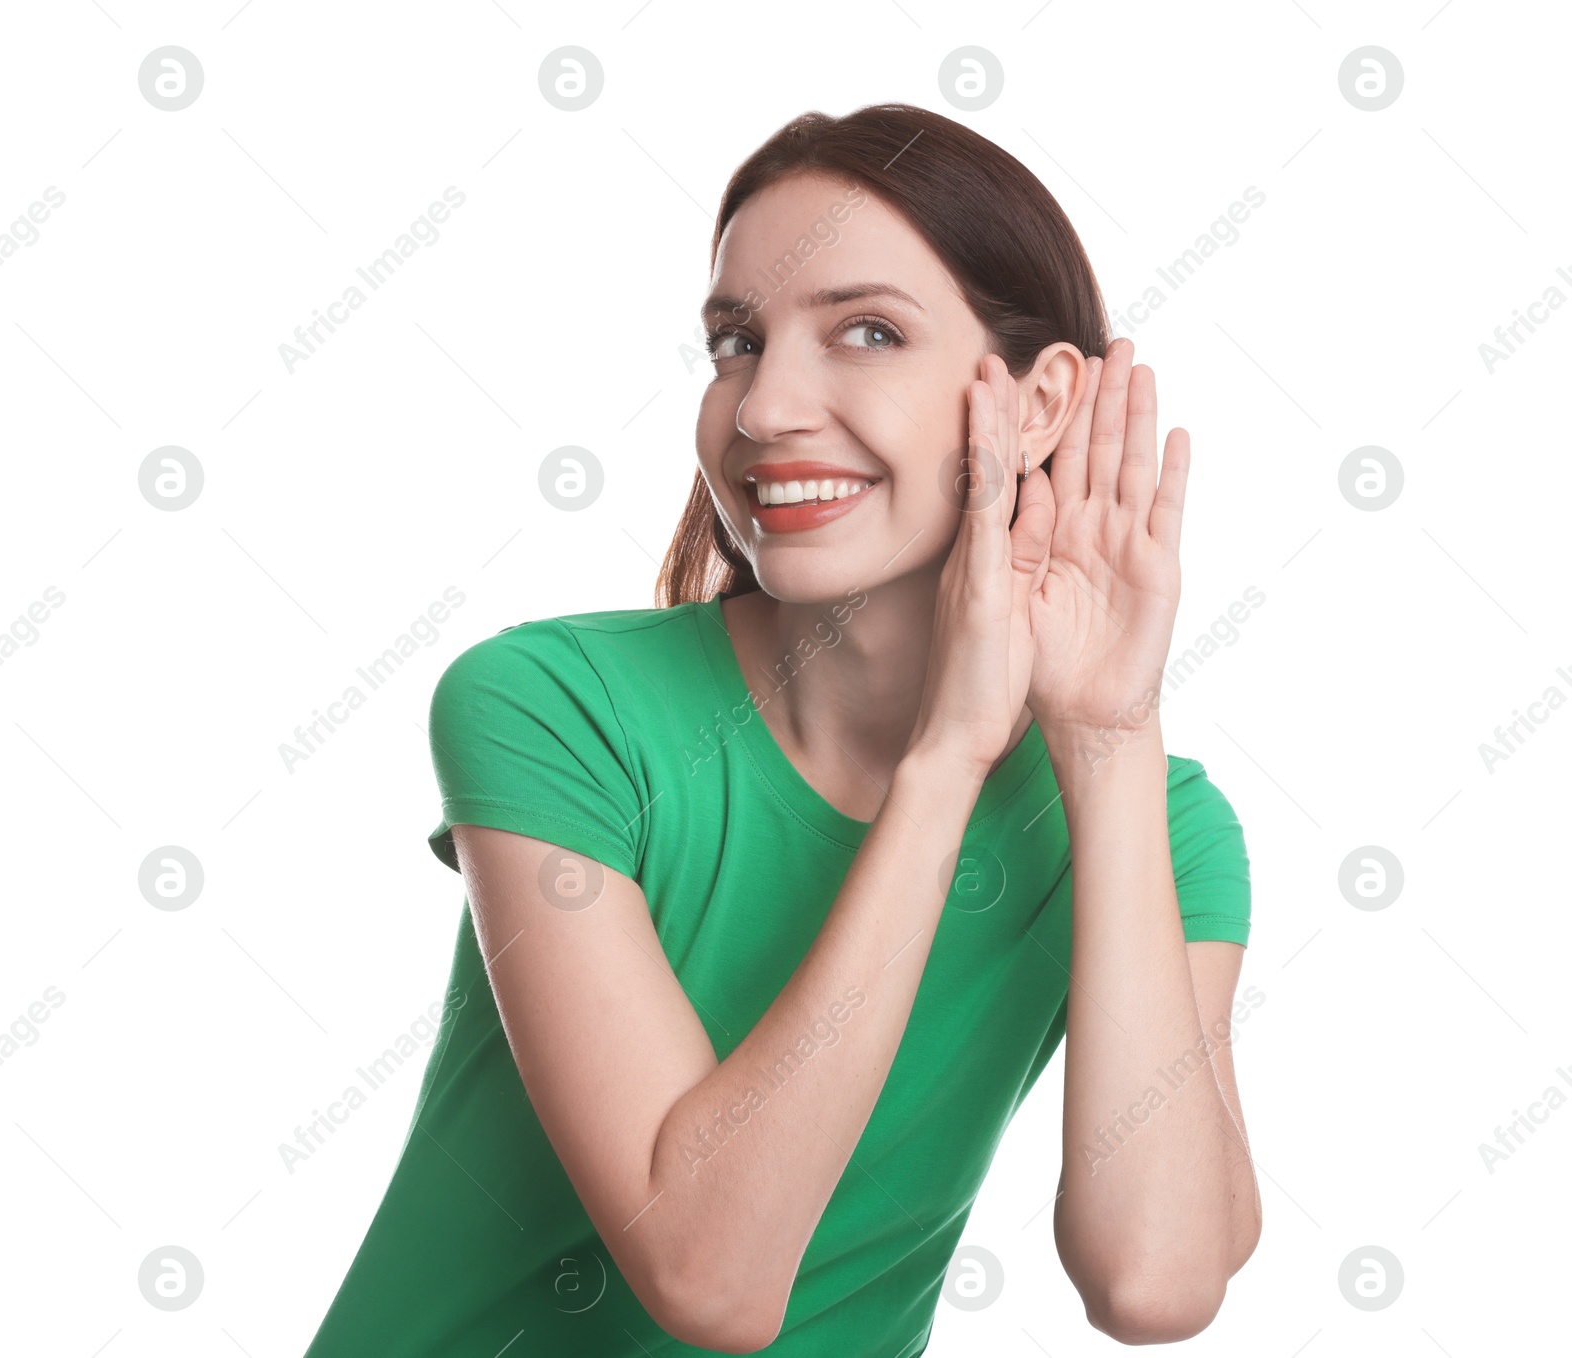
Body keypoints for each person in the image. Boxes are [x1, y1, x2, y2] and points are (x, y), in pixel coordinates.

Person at [302, 102, 1260, 1357]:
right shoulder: (552, 706)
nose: (763, 410)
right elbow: (709, 1276)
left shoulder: (1151, 820)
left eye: (867, 331)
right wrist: (943, 760)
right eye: (735, 343)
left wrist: (1109, 735)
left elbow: (1155, 1280)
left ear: (1038, 405)